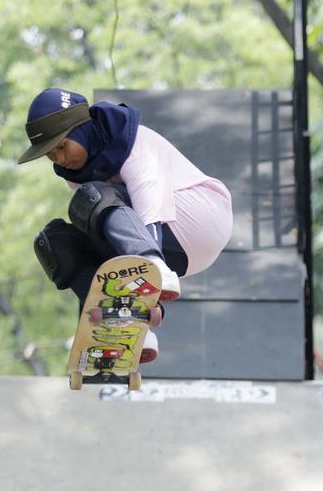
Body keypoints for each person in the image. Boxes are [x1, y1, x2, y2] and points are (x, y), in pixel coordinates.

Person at [18, 87, 233, 362]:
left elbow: (149, 196)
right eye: (50, 154)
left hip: (199, 214)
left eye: (62, 146)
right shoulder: (76, 175)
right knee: (56, 243)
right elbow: (104, 234)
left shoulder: (133, 141)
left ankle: (149, 267)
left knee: (95, 198)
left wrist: (151, 264)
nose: (60, 159)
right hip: (168, 247)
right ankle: (126, 329)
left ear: (83, 129)